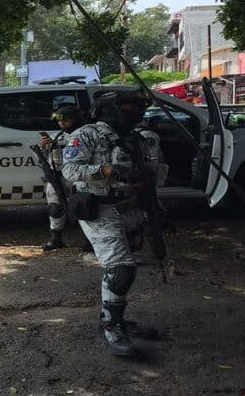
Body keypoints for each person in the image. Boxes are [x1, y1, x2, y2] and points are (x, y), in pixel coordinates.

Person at [61, 89, 164, 357]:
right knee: (121, 270)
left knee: (125, 269)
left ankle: (115, 316)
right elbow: (71, 170)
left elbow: (153, 172)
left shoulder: (138, 138)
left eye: (138, 106)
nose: (136, 111)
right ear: (109, 109)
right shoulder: (86, 134)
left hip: (130, 208)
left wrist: (147, 182)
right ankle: (112, 326)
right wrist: (107, 170)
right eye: (129, 106)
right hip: (99, 207)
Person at [38, 105, 91, 251]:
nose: (62, 124)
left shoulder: (86, 135)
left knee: (82, 207)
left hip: (79, 177)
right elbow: (45, 158)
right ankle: (56, 239)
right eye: (60, 121)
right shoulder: (58, 136)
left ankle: (89, 240)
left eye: (66, 121)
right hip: (58, 177)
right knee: (55, 209)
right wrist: (44, 147)